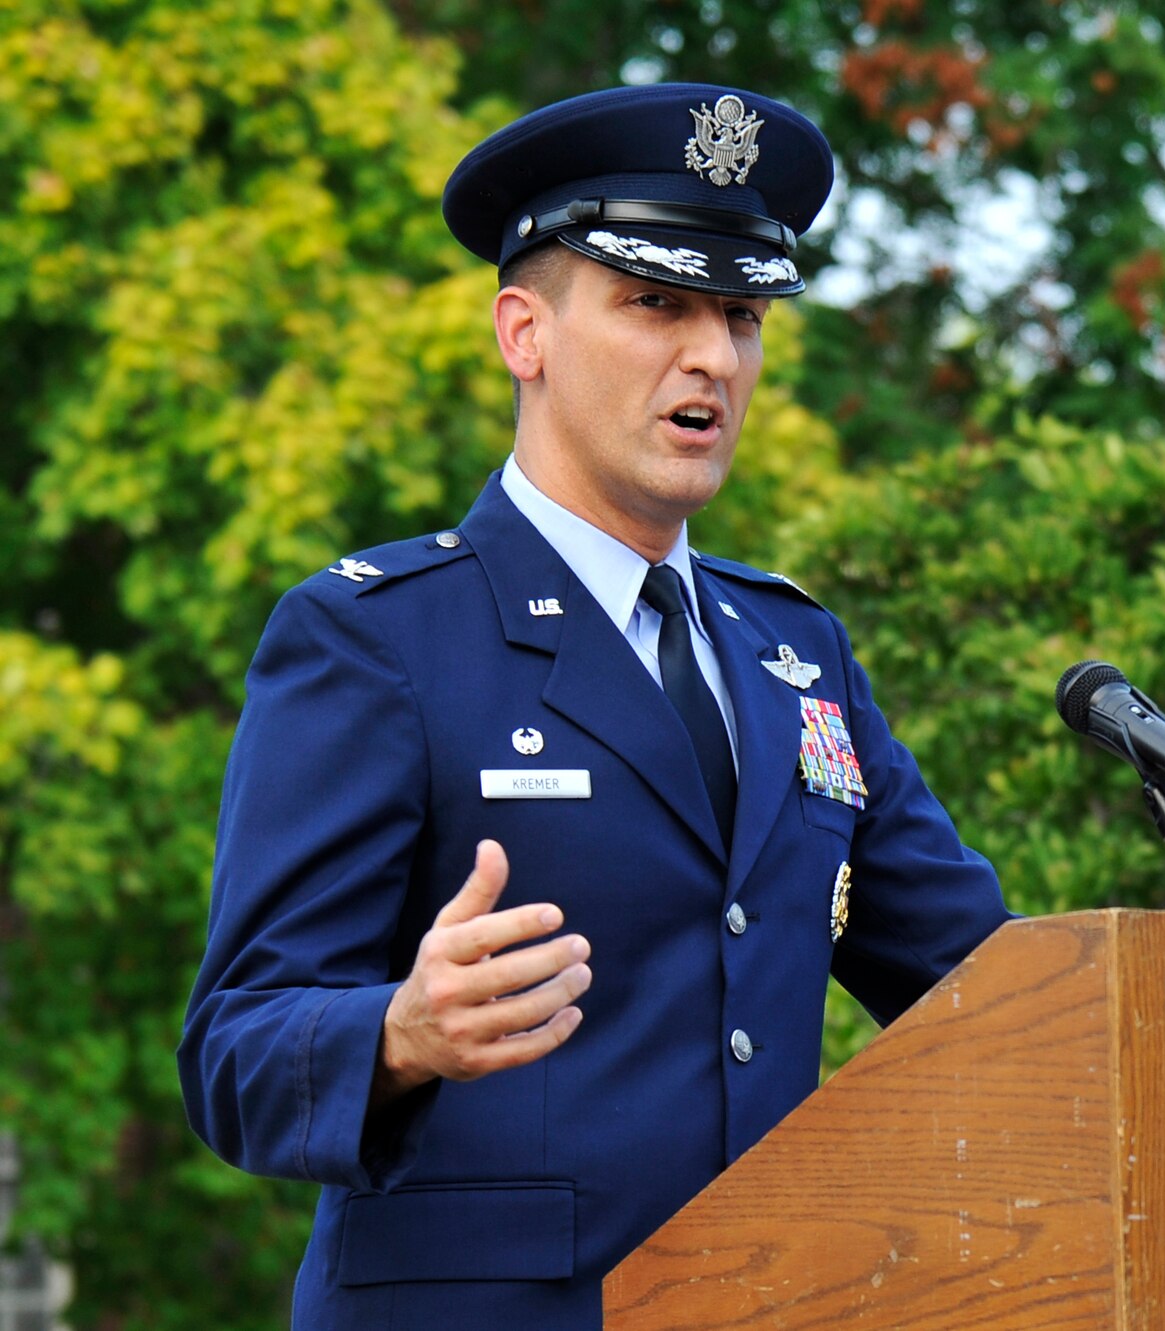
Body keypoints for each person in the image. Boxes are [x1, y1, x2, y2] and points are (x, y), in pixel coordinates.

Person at [178, 83, 1011, 1330]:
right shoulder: (376, 635)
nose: (713, 356)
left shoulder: (796, 652)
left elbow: (987, 988)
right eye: (655, 303)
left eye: (741, 315)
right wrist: (400, 1029)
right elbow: (235, 1051)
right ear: (525, 333)